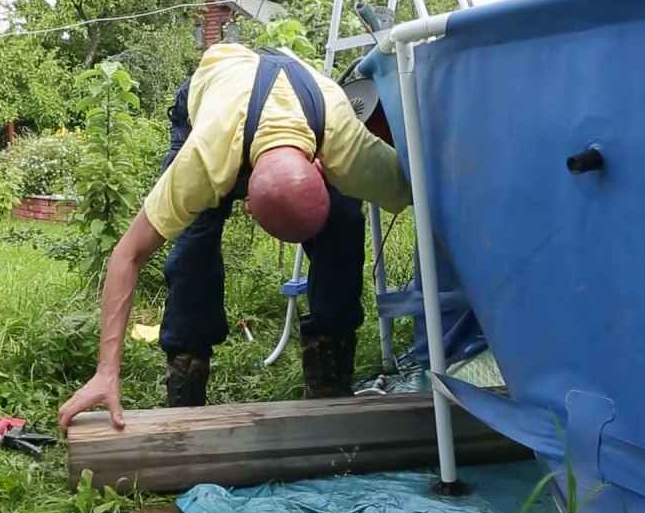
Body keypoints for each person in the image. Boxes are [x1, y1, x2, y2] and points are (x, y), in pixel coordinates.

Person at [58, 43, 411, 431]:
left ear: (322, 166)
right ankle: (187, 380)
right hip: (219, 97)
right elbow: (128, 255)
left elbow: (423, 192)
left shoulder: (345, 142)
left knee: (343, 222)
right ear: (246, 206)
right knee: (195, 241)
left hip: (300, 98)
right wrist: (106, 372)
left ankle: (330, 371)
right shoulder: (206, 158)